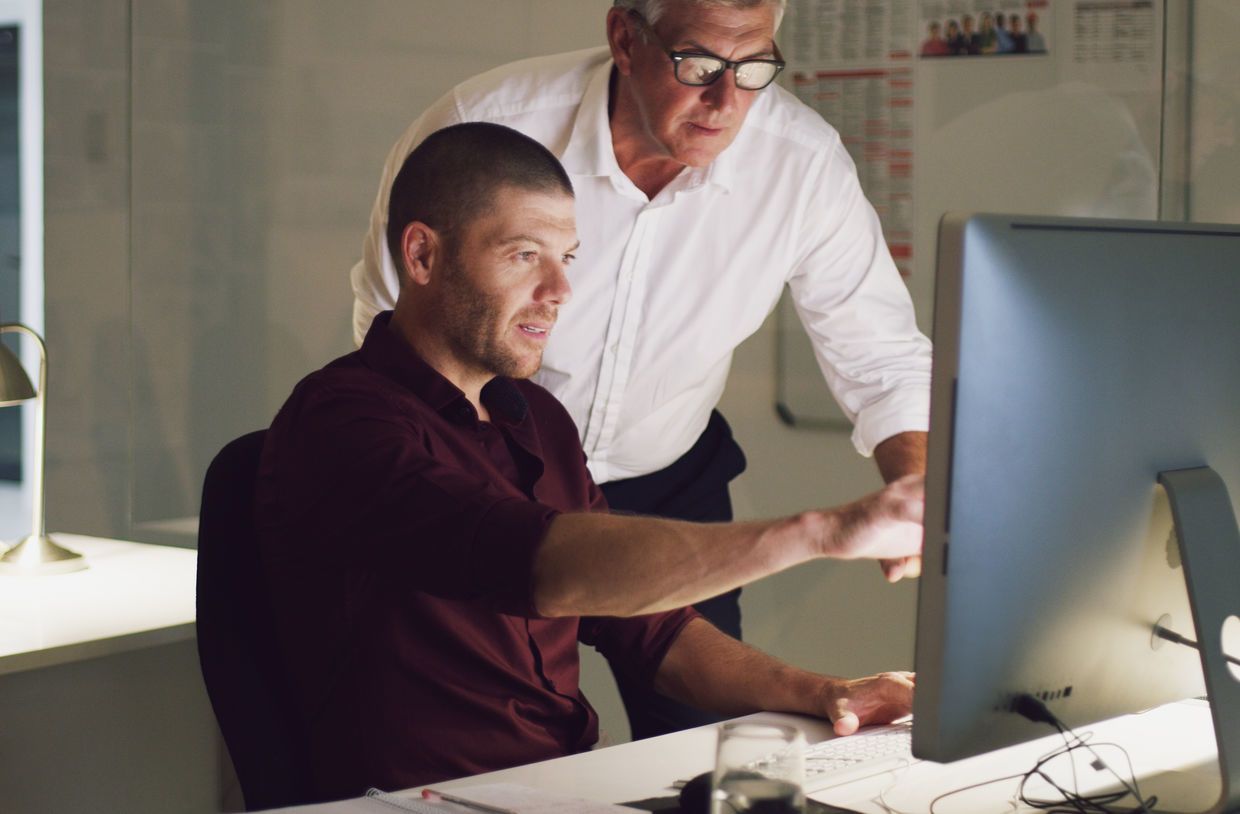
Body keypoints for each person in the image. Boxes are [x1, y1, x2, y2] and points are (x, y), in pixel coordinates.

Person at [261, 122, 923, 801]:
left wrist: (829, 694)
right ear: (423, 256)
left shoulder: (537, 417)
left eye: (567, 258)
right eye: (524, 256)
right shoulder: (341, 422)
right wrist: (823, 532)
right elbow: (539, 564)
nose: (559, 290)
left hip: (558, 787)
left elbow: (650, 631)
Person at [349, 0, 932, 741]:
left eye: (754, 68)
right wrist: (823, 531)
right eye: (698, 65)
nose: (726, 102)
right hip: (478, 473)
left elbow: (884, 359)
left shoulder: (801, 163)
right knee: (474, 732)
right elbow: (396, 315)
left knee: (706, 743)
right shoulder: (488, 127)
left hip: (665, 473)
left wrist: (913, 508)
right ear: (626, 38)